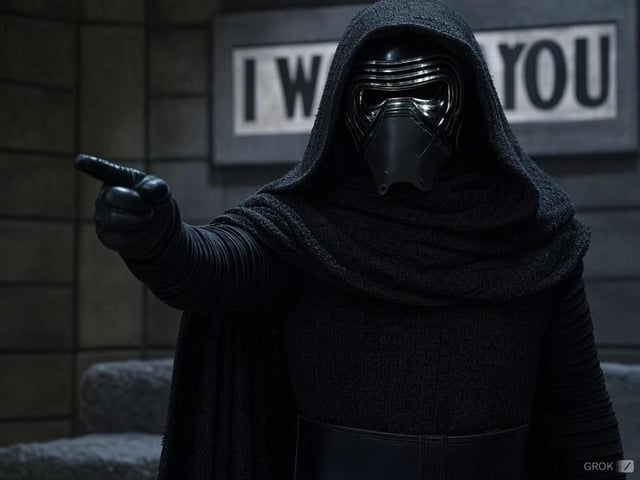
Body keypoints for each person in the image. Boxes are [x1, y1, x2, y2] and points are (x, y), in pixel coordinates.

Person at [76, 0, 626, 479]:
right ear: (344, 106)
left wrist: (612, 471)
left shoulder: (535, 234)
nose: (398, 117)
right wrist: (159, 239)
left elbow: (585, 419)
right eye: (374, 98)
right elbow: (212, 268)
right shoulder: (306, 226)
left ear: (472, 101)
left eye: (425, 92)